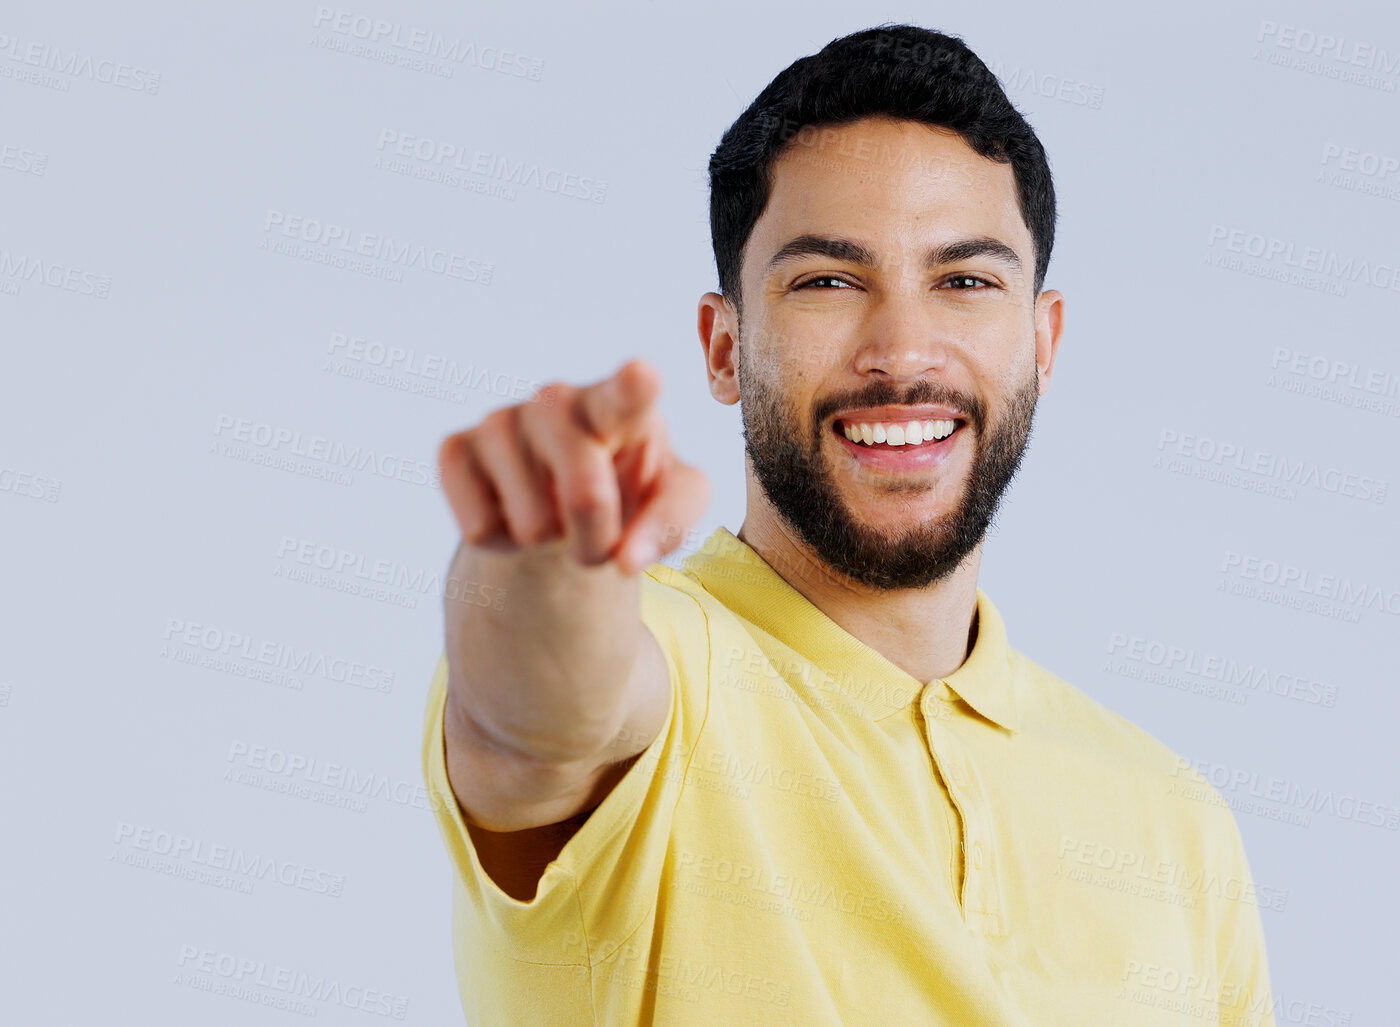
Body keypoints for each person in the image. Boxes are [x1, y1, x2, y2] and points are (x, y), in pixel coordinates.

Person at [422, 22, 1276, 1026]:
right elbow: (535, 720)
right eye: (828, 280)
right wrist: (539, 558)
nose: (904, 348)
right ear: (724, 345)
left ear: (1041, 344)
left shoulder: (1178, 823)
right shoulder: (667, 682)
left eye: (965, 281)